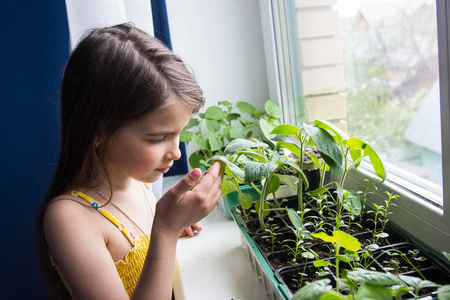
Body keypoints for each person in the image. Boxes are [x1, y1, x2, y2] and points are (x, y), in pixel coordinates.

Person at [35, 23, 223, 300]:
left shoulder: (135, 180)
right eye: (158, 138)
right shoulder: (69, 218)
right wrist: (166, 230)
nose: (177, 152)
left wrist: (173, 229)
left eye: (179, 134)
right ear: (99, 130)